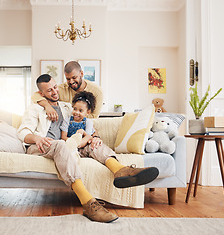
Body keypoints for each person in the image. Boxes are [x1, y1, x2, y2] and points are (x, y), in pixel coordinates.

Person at [17, 74, 159, 223]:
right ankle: (88, 203)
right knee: (60, 144)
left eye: (55, 87)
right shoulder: (34, 108)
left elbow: (84, 123)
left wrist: (95, 136)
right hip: (41, 146)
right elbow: (22, 132)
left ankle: (120, 170)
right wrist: (37, 138)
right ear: (41, 94)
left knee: (92, 142)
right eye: (49, 91)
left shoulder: (67, 107)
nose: (54, 92)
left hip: (68, 146)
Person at [32, 61, 103, 121]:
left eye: (74, 77)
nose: (71, 82)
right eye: (68, 79)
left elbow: (94, 117)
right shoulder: (62, 89)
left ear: (81, 74)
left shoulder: (97, 91)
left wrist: (76, 117)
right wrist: (47, 106)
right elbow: (36, 95)